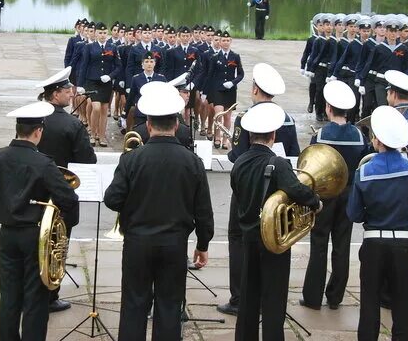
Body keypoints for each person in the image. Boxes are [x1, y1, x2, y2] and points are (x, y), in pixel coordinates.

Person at [104, 82, 214, 341]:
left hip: (138, 243)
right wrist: (203, 244)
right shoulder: (193, 162)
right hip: (174, 244)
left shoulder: (131, 159)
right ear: (176, 126)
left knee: (133, 304)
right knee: (169, 306)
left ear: (149, 125)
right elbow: (204, 210)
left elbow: (112, 199)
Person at [0, 101, 79, 341]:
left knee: (9, 297)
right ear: (38, 132)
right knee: (36, 299)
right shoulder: (44, 163)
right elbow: (68, 199)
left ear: (18, 130)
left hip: (7, 235)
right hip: (36, 237)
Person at [231, 102, 322, 341]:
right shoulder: (278, 163)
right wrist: (315, 202)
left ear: (250, 135)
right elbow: (297, 191)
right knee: (273, 299)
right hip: (274, 243)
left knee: (249, 297)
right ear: (273, 135)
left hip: (249, 239)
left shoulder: (239, 163)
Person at [347, 105, 408, 340]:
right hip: (403, 245)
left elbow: (354, 214)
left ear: (377, 140)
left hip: (374, 243)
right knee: (401, 305)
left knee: (369, 303)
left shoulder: (363, 172)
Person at [218, 62, 297, 316]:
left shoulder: (245, 117)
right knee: (273, 238)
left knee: (238, 238)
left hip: (247, 186)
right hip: (278, 189)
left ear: (254, 89)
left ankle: (240, 296)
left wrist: (231, 148)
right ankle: (267, 296)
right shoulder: (288, 119)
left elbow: (238, 155)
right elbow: (294, 154)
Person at [301, 80, 369, 311]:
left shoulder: (320, 135)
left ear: (329, 108)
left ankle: (312, 297)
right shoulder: (360, 136)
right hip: (349, 195)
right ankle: (335, 297)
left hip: (324, 196)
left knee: (318, 245)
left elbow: (308, 167)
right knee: (342, 245)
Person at [36, 66, 96, 168]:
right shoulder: (73, 124)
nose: (72, 95)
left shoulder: (31, 117)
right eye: (68, 92)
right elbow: (88, 159)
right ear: (56, 95)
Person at [76, 22, 121, 147]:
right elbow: (83, 66)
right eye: (100, 33)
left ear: (108, 33)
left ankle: (101, 137)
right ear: (95, 33)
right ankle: (92, 133)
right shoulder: (89, 47)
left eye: (104, 33)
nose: (102, 35)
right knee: (95, 108)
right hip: (92, 82)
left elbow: (118, 67)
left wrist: (110, 76)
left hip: (105, 83)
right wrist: (80, 85)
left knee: (104, 110)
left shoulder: (112, 47)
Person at [205, 31, 243, 148]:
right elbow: (210, 75)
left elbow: (241, 74)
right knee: (219, 115)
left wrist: (233, 82)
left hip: (230, 90)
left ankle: (225, 139)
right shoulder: (215, 57)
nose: (225, 43)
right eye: (223, 40)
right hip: (217, 90)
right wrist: (206, 92)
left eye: (228, 40)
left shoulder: (235, 56)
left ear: (230, 41)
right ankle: (217, 137)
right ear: (220, 42)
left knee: (227, 116)